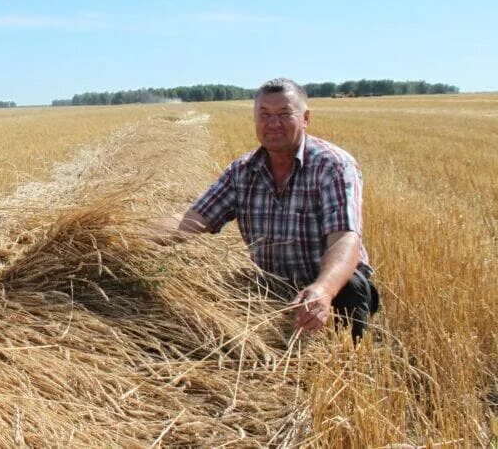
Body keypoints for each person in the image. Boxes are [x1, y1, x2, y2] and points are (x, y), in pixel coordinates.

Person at [159, 78, 379, 341]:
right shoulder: (242, 172)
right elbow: (194, 219)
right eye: (265, 115)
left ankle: (349, 354)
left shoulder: (333, 166)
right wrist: (126, 233)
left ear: (305, 118)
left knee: (351, 289)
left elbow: (345, 237)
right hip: (272, 285)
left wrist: (323, 289)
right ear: (255, 119)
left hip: (331, 284)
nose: (273, 124)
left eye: (285, 114)